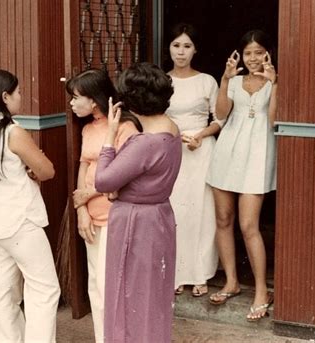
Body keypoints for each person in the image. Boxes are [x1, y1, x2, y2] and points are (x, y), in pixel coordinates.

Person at [0, 69, 60, 342]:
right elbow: (47, 171)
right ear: (5, 97)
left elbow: (3, 172)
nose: (21, 97)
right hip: (21, 225)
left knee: (3, 293)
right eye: (18, 93)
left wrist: (27, 170)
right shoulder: (13, 132)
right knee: (44, 290)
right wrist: (33, 169)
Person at [95, 62, 181, 343]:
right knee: (153, 295)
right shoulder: (172, 129)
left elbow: (104, 182)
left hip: (135, 221)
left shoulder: (144, 142)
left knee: (127, 294)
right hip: (159, 216)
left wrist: (109, 136)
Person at [206, 30, 277, 321]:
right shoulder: (233, 81)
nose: (253, 58)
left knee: (249, 224)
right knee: (223, 219)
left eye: (258, 52)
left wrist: (276, 83)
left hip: (258, 153)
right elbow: (221, 115)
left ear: (268, 53)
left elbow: (274, 120)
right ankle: (232, 282)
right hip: (228, 151)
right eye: (248, 53)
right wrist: (224, 80)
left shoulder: (275, 82)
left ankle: (262, 290)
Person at [66, 69, 140, 343]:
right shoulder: (87, 128)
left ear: (94, 100)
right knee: (95, 284)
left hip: (114, 216)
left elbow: (123, 175)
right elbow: (84, 166)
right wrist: (81, 210)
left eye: (76, 98)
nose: (72, 104)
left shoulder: (124, 128)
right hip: (92, 217)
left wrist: (88, 194)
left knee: (111, 285)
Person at [165, 23, 222, 297]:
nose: (181, 51)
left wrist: (200, 135)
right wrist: (174, 135)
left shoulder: (207, 81)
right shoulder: (162, 81)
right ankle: (176, 273)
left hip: (201, 149)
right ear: (169, 48)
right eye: (176, 45)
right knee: (175, 210)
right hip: (171, 149)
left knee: (202, 211)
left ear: (195, 49)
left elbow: (219, 119)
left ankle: (201, 273)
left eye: (187, 46)